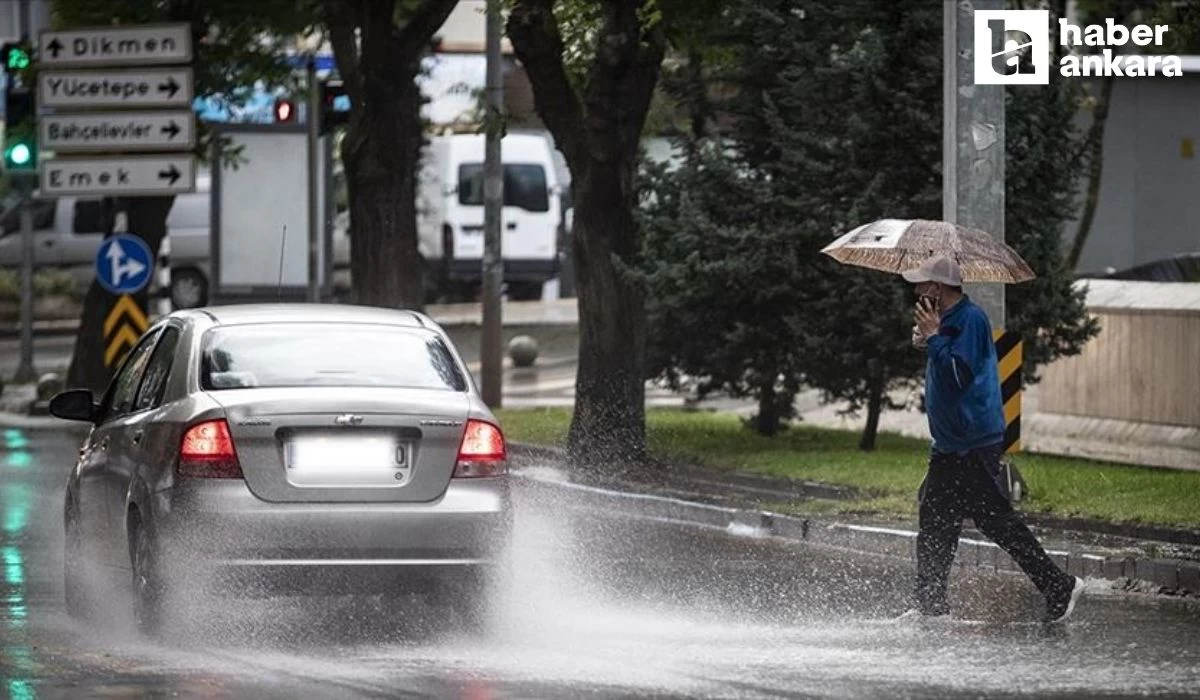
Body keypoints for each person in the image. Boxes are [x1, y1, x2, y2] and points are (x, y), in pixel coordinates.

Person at [900, 255, 1083, 623]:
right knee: (936, 521)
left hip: (972, 442)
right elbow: (943, 361)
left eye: (922, 284)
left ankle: (1059, 585)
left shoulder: (970, 320)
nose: (916, 290)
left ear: (937, 287)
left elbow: (957, 376)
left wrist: (934, 339)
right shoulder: (946, 320)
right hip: (950, 444)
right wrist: (926, 339)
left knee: (996, 521)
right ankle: (930, 605)